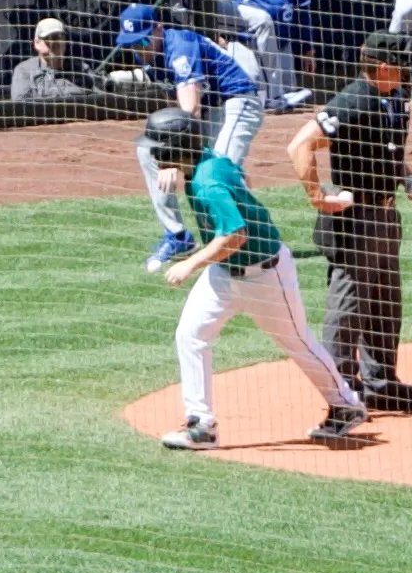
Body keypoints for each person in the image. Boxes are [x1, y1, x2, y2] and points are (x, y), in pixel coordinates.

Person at [142, 107, 368, 449]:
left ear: (171, 150)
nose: (153, 153)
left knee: (297, 341)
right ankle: (201, 425)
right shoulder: (207, 162)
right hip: (224, 274)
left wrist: (190, 264)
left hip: (265, 276)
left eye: (159, 147)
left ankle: (346, 406)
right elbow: (240, 179)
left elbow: (236, 234)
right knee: (191, 336)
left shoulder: (206, 182)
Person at [287, 32, 412, 413]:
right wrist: (318, 196)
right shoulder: (354, 99)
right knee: (348, 303)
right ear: (383, 67)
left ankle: (380, 382)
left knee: (386, 300)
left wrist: (408, 178)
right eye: (401, 63)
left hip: (385, 215)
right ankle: (340, 388)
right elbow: (300, 144)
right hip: (354, 219)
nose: (409, 70)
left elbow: (385, 149)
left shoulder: (396, 99)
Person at [115, 2, 265, 271]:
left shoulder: (180, 47)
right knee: (147, 149)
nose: (139, 49)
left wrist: (173, 160)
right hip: (207, 114)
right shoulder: (150, 56)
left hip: (236, 103)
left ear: (159, 29)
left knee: (219, 167)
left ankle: (249, 238)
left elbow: (189, 109)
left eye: (144, 40)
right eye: (132, 43)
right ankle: (178, 236)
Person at [11, 17, 89, 101]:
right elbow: (21, 106)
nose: (54, 43)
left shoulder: (82, 69)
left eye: (59, 37)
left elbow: (99, 97)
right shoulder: (24, 70)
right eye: (49, 38)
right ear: (36, 43)